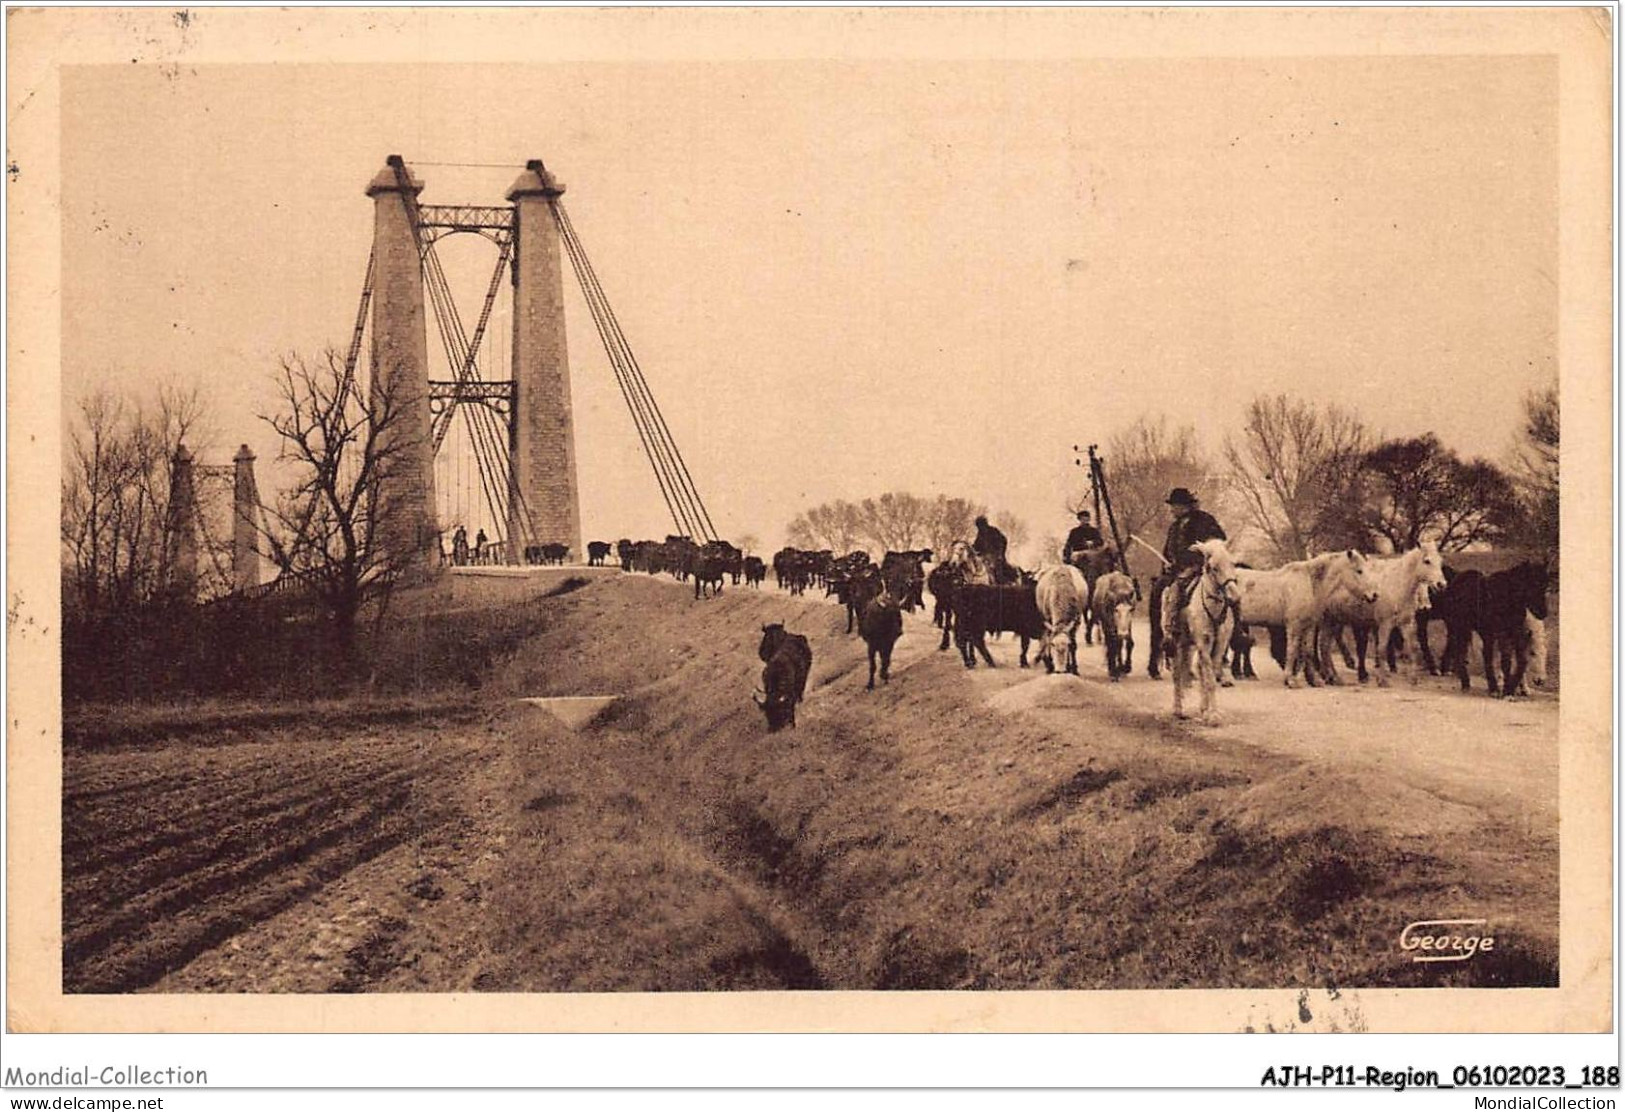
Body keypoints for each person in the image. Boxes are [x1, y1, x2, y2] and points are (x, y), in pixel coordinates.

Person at [1148, 487, 1226, 679]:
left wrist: (1202, 550)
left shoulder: (1204, 520)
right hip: (1179, 569)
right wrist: (1167, 566)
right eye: (1172, 506)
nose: (1172, 510)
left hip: (1203, 566)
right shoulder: (1174, 526)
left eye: (1174, 506)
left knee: (1230, 589)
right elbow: (1168, 551)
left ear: (1183, 506)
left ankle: (1237, 629)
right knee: (1161, 591)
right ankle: (1170, 628)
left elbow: (1219, 540)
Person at [972, 515, 1017, 584]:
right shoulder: (980, 534)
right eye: (978, 526)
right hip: (984, 556)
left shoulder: (993, 531)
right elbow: (976, 545)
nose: (979, 527)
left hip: (994, 555)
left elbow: (1002, 541)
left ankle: (1002, 582)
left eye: (980, 525)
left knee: (997, 567)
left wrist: (999, 553)